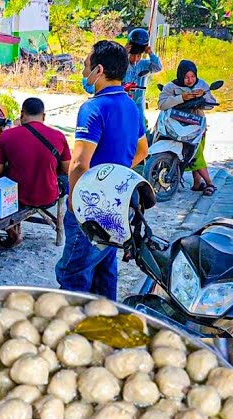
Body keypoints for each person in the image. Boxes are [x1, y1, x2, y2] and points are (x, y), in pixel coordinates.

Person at [58, 40, 149, 298]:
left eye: (86, 66)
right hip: (118, 204)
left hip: (91, 206)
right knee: (104, 269)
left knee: (73, 275)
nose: (84, 73)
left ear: (99, 70)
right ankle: (106, 323)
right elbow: (143, 151)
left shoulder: (93, 108)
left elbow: (78, 163)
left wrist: (76, 202)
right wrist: (113, 175)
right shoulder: (131, 106)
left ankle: (76, 331)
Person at [0, 97, 71, 247]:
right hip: (48, 196)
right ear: (44, 116)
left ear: (22, 114)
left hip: (16, 197)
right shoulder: (59, 136)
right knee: (63, 179)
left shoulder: (6, 136)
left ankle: (13, 233)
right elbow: (67, 169)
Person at [159, 60, 217, 196]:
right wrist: (181, 98)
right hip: (176, 123)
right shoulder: (171, 87)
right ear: (180, 76)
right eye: (186, 77)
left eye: (193, 76)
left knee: (197, 152)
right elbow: (162, 104)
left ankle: (200, 184)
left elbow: (211, 104)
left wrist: (203, 96)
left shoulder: (202, 85)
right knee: (195, 154)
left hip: (197, 124)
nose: (190, 80)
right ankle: (206, 183)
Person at [82, 28, 161, 118]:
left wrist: (150, 52)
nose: (135, 59)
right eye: (132, 55)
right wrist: (122, 54)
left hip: (137, 103)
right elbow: (90, 86)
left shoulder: (144, 64)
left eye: (138, 56)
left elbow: (158, 67)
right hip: (120, 104)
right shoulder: (120, 64)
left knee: (139, 126)